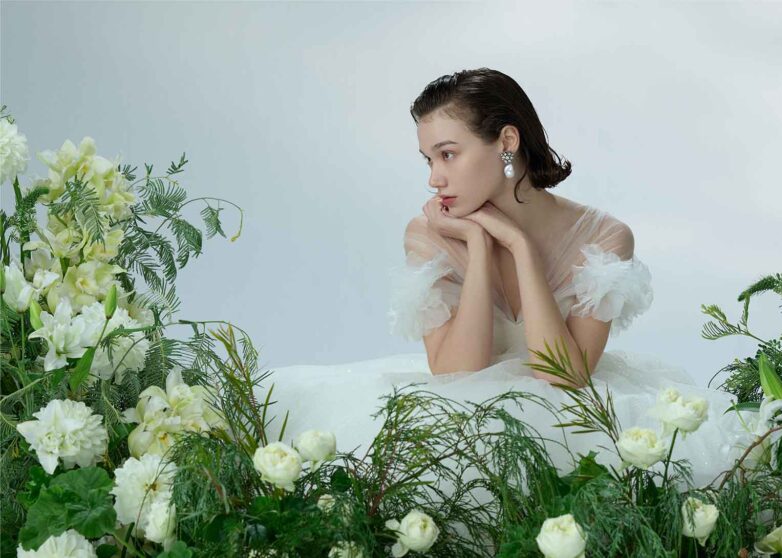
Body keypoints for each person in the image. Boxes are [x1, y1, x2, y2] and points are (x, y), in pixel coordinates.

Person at [262, 68, 751, 490]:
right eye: (428, 159)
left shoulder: (604, 236)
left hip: (575, 429)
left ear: (507, 143)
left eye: (448, 154)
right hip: (465, 429)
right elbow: (458, 372)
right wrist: (478, 246)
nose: (434, 179)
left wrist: (519, 247)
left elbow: (565, 376)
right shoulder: (427, 234)